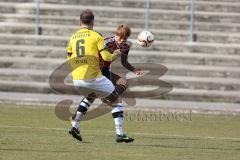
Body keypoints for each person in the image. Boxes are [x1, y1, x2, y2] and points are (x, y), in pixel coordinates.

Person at [72, 24, 142, 143]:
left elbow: (124, 62)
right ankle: (118, 131)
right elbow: (99, 55)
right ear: (117, 34)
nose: (122, 41)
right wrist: (113, 53)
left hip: (106, 71)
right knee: (95, 97)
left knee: (122, 84)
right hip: (96, 71)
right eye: (121, 38)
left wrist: (134, 69)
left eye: (125, 39)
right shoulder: (106, 41)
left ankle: (75, 124)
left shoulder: (125, 46)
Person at [67, 9, 122, 142]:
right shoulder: (96, 36)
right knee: (116, 100)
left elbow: (69, 57)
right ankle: (120, 134)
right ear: (93, 22)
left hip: (77, 78)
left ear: (80, 22)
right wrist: (117, 53)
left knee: (90, 96)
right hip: (92, 77)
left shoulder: (73, 37)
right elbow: (106, 57)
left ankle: (75, 124)